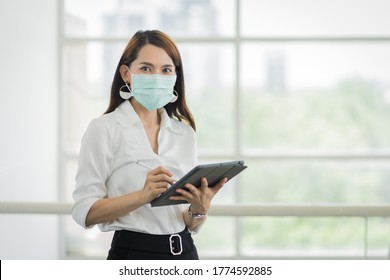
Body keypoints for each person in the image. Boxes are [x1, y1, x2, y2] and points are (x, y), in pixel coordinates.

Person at [72, 30, 227, 260]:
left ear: (175, 76)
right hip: (133, 254)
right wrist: (141, 196)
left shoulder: (183, 133)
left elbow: (186, 220)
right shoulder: (104, 129)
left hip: (184, 252)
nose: (157, 76)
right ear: (126, 73)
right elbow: (83, 211)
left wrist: (198, 209)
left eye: (166, 70)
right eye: (146, 68)